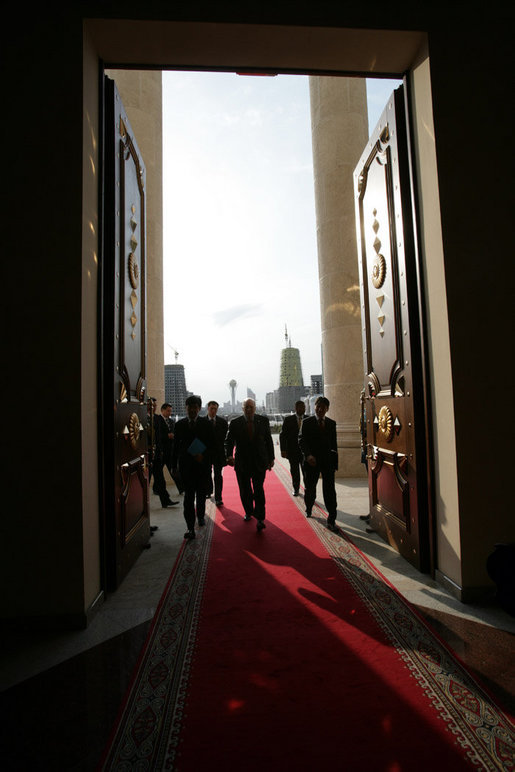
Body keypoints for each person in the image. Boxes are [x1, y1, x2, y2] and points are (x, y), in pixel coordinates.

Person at [225, 398, 275, 531]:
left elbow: (268, 440)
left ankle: (260, 518)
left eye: (251, 407)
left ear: (255, 408)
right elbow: (229, 441)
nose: (248, 409)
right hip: (242, 463)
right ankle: (248, 511)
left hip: (260, 462)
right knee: (245, 490)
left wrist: (271, 458)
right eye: (246, 407)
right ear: (242, 408)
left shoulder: (263, 421)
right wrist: (229, 455)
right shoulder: (235, 423)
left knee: (258, 489)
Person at [172, 395, 215, 540]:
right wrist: (174, 466)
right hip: (187, 468)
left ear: (199, 408)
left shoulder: (206, 424)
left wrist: (204, 456)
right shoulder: (179, 425)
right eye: (190, 407)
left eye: (195, 407)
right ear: (186, 408)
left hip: (202, 467)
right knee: (188, 498)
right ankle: (190, 527)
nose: (192, 410)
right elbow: (175, 447)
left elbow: (212, 445)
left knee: (201, 495)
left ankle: (201, 516)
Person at [299, 396, 339, 532]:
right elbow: (302, 440)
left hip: (327, 462)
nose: (320, 409)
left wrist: (335, 464)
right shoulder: (307, 422)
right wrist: (308, 455)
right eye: (318, 406)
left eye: (323, 407)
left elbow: (334, 446)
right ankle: (309, 507)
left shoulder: (332, 424)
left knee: (330, 491)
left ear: (327, 409)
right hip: (311, 462)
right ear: (314, 407)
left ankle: (332, 518)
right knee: (310, 488)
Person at [153, 402, 180, 509]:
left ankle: (165, 500)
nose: (153, 407)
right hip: (152, 454)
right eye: (151, 405)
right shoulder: (155, 419)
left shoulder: (158, 419)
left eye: (154, 405)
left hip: (162, 453)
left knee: (160, 479)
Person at [279, 400, 306, 496]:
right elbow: (283, 436)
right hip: (292, 451)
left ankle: (307, 489)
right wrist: (283, 450)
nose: (302, 409)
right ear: (296, 408)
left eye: (304, 407)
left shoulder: (309, 419)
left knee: (306, 472)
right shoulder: (288, 420)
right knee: (295, 472)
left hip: (305, 452)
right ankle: (296, 488)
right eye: (300, 407)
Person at [205, 400, 228, 506]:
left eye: (215, 409)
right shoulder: (202, 422)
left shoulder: (223, 422)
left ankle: (218, 497)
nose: (213, 411)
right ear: (207, 408)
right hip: (205, 454)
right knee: (206, 473)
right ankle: (208, 491)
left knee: (218, 475)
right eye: (211, 408)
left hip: (218, 453)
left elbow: (223, 438)